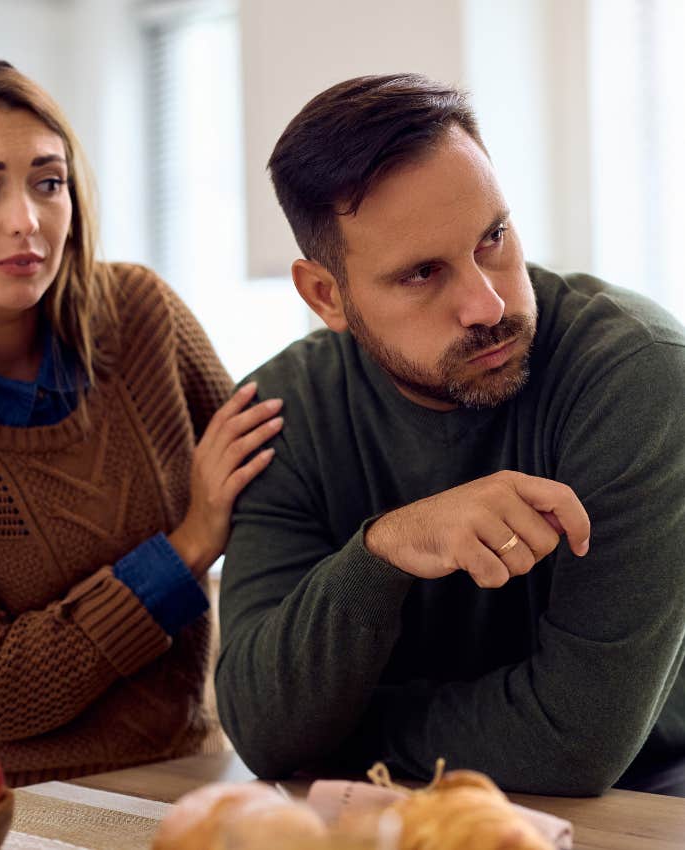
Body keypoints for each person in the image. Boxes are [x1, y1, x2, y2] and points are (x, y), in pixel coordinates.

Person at [215, 73, 685, 797]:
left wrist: (345, 735)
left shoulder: (637, 376)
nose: (486, 302)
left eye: (493, 238)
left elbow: (578, 746)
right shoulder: (281, 410)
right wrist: (382, 552)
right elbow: (261, 726)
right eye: (423, 273)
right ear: (326, 295)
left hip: (644, 803)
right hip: (395, 813)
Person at [0, 57, 284, 786]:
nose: (27, 219)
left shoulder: (142, 316)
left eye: (49, 182)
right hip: (7, 810)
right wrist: (191, 543)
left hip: (189, 775)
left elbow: (277, 486)